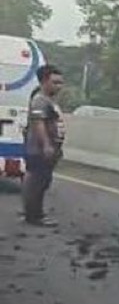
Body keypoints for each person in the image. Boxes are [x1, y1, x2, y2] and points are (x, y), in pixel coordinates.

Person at [22, 65, 66, 227]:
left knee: (42, 181)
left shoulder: (48, 101)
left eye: (61, 83)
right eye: (55, 82)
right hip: (39, 150)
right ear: (44, 81)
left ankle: (33, 214)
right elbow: (38, 123)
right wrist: (46, 145)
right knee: (37, 182)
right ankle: (34, 216)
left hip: (48, 148)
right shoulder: (40, 100)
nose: (59, 86)